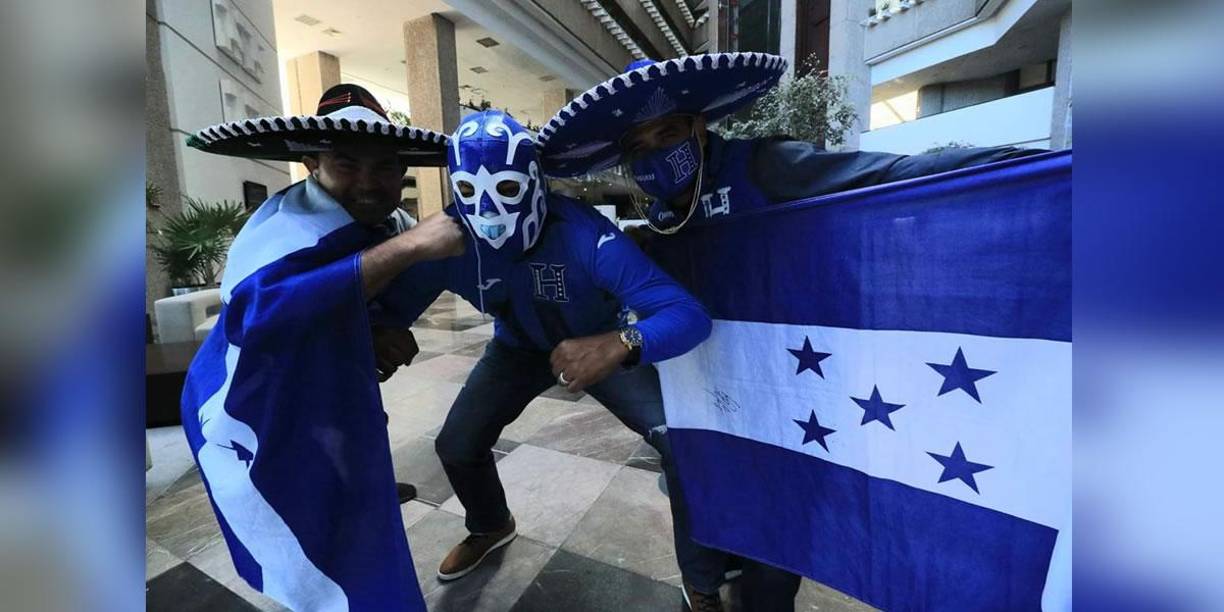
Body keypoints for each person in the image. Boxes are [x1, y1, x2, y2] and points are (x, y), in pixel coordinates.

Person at [536, 52, 1045, 611]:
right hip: (713, 390)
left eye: (668, 133)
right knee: (700, 488)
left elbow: (888, 177)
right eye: (639, 146)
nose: (656, 153)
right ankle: (700, 587)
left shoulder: (766, 167)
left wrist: (1023, 172)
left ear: (700, 129)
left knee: (781, 524)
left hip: (795, 380)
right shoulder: (657, 217)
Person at [377, 109, 729, 611]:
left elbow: (688, 313)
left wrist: (621, 343)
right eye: (471, 195)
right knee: (457, 444)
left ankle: (702, 580)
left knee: (678, 440)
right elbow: (387, 312)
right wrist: (382, 330)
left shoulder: (586, 235)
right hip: (515, 349)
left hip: (596, 340)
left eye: (507, 189)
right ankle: (490, 525)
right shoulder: (449, 241)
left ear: (536, 181)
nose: (491, 212)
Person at [180, 84, 466, 611]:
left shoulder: (382, 222)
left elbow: (358, 296)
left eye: (383, 167)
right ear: (311, 162)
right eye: (346, 163)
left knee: (355, 511)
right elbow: (262, 315)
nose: (366, 183)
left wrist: (373, 328)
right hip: (258, 405)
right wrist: (409, 247)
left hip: (333, 395)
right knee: (319, 543)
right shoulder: (288, 225)